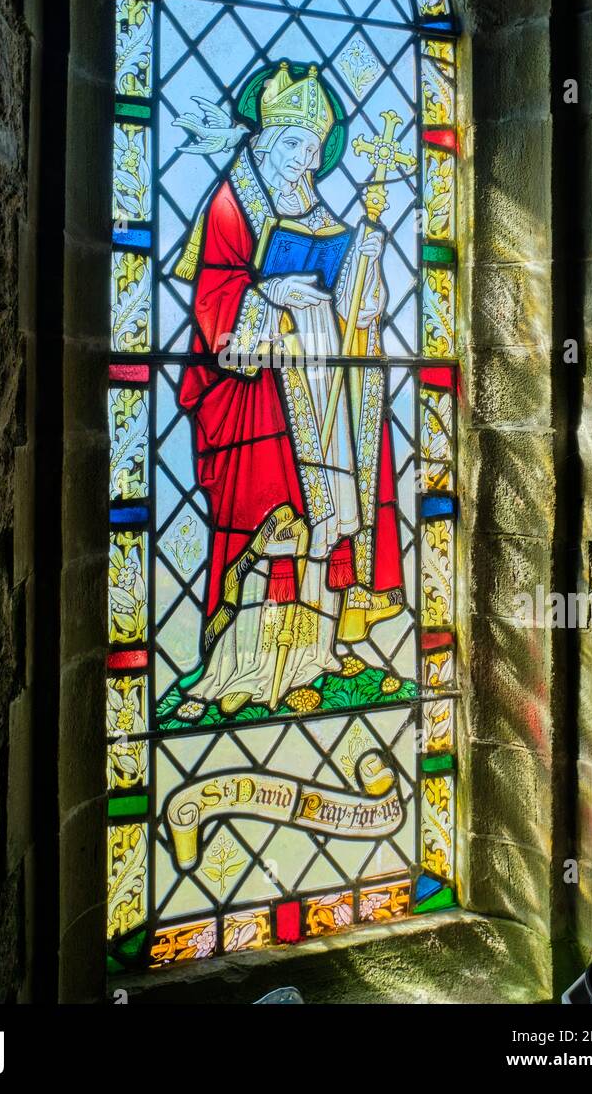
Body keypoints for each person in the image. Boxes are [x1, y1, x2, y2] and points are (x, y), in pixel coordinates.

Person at [175, 63, 403, 718]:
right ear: (268, 143)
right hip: (257, 389)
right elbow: (214, 298)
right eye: (294, 147)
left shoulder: (313, 206)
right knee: (279, 517)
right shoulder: (230, 203)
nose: (304, 161)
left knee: (325, 517)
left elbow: (349, 297)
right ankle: (255, 665)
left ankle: (320, 649)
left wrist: (365, 278)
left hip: (318, 375)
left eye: (312, 149)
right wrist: (268, 295)